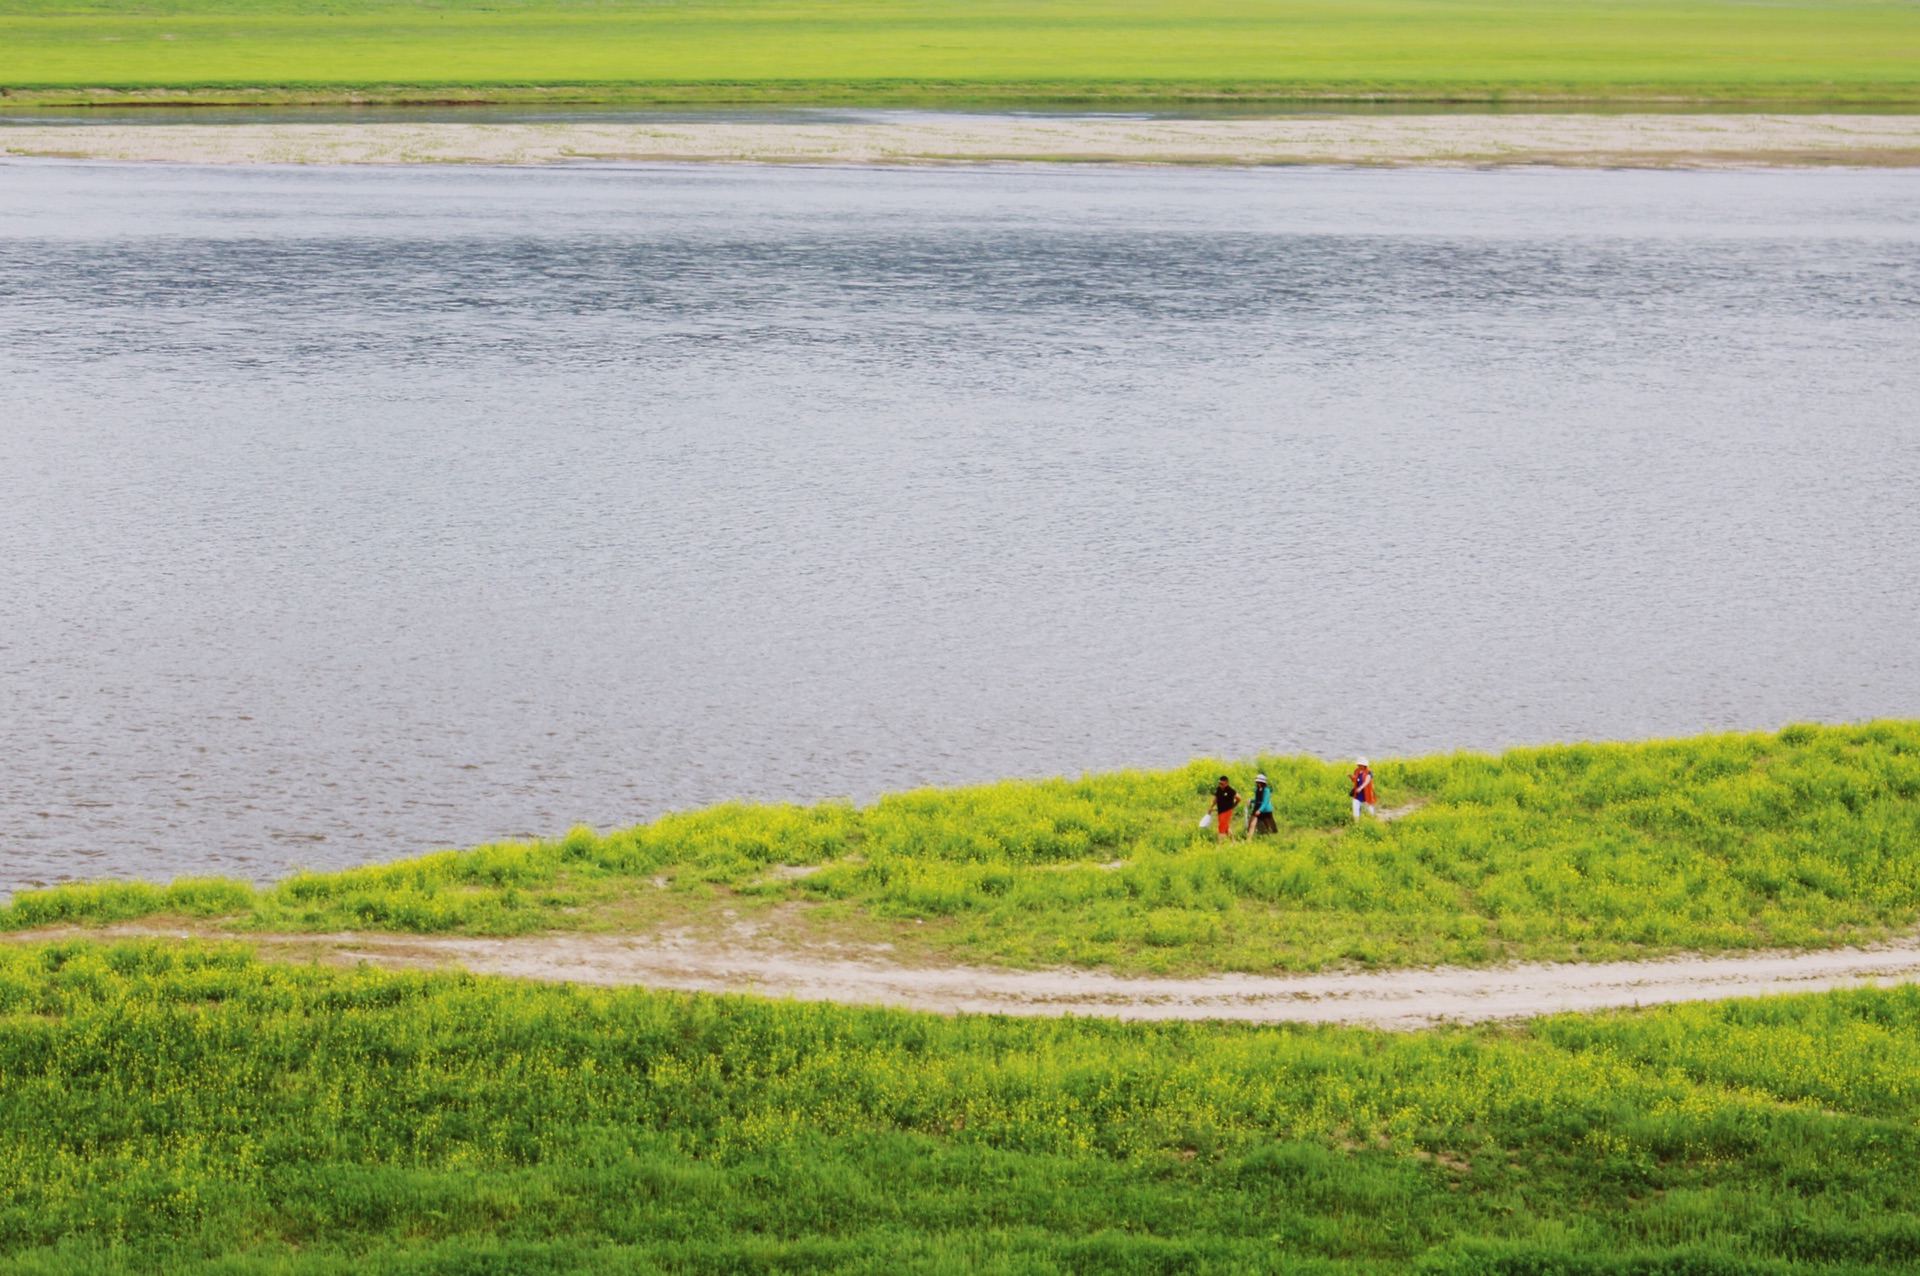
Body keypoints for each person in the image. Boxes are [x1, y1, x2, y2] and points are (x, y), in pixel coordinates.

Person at [1245, 772, 1278, 837]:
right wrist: (1251, 800)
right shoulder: (1257, 789)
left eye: (1259, 782)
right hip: (1257, 808)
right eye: (1257, 782)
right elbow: (1257, 799)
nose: (1258, 783)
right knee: (1252, 824)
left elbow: (1265, 801)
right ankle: (1248, 840)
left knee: (1268, 825)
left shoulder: (1266, 790)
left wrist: (1260, 810)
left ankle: (1270, 837)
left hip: (1265, 810)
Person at [1212, 775, 1239, 839]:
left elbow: (1238, 798)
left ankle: (1220, 845)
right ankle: (1233, 842)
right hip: (1220, 811)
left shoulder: (1230, 790)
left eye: (1222, 784)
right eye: (1219, 783)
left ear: (1226, 783)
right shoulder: (1218, 789)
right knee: (1226, 827)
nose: (1220, 785)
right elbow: (1216, 798)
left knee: (1221, 827)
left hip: (1227, 810)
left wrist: (1234, 805)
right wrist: (1211, 806)